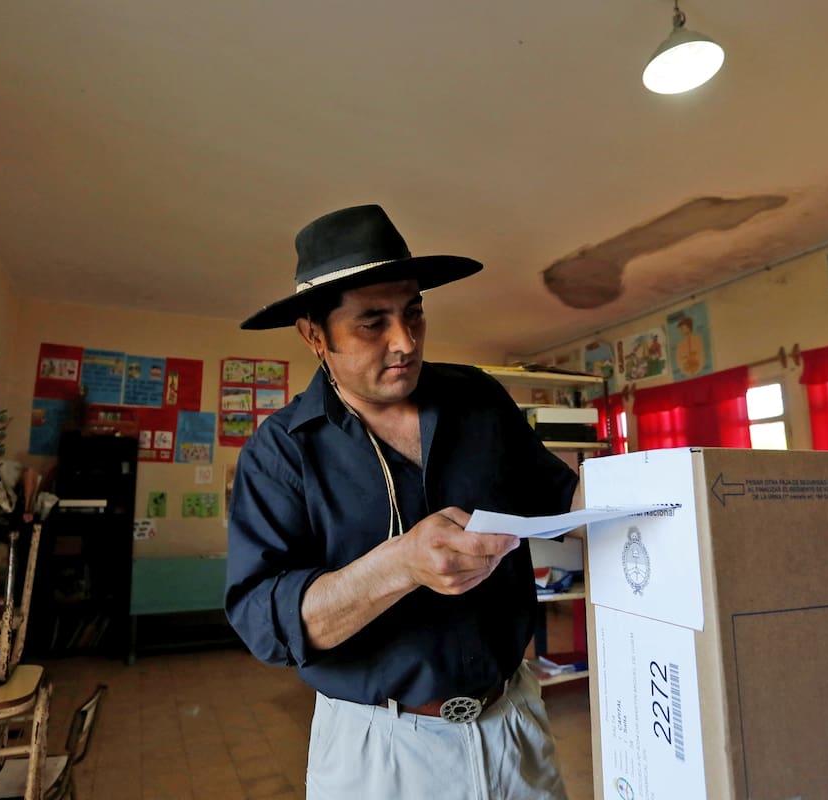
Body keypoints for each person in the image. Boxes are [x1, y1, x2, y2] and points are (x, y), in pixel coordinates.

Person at [225, 204, 578, 799]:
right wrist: (399, 566)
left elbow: (559, 496)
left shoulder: (479, 400)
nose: (404, 340)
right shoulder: (280, 452)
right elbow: (267, 623)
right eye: (372, 322)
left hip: (513, 722)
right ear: (315, 334)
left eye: (413, 311)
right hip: (378, 749)